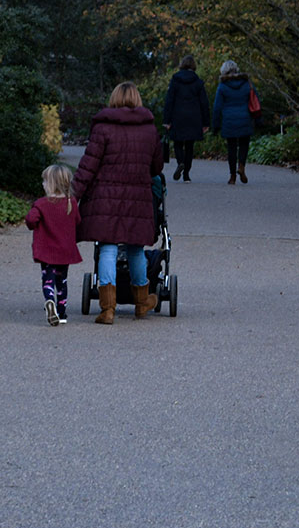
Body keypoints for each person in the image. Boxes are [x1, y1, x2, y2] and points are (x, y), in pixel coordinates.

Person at [73, 81, 167, 324]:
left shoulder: (103, 128)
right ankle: (142, 302)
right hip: (137, 201)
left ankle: (108, 309)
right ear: (137, 99)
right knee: (136, 249)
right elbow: (156, 167)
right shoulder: (149, 130)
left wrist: (72, 196)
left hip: (106, 200)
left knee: (107, 247)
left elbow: (88, 166)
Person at [24, 163, 82, 326]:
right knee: (62, 281)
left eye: (44, 181)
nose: (42, 184)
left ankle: (49, 300)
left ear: (50, 184)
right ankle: (62, 313)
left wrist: (37, 224)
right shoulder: (71, 202)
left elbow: (30, 220)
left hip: (47, 250)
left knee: (48, 280)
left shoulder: (41, 204)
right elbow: (77, 221)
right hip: (65, 251)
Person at [161, 55, 211, 182]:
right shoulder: (198, 82)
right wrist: (206, 122)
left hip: (177, 116)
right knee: (190, 145)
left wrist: (166, 120)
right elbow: (204, 103)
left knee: (178, 142)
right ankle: (186, 175)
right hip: (194, 117)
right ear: (194, 66)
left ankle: (180, 163)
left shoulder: (175, 80)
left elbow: (169, 100)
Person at [210, 60, 260, 184]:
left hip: (229, 121)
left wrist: (215, 125)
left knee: (231, 148)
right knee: (244, 145)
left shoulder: (222, 86)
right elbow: (256, 99)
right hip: (245, 118)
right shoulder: (246, 83)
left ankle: (232, 177)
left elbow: (217, 107)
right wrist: (258, 119)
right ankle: (241, 166)